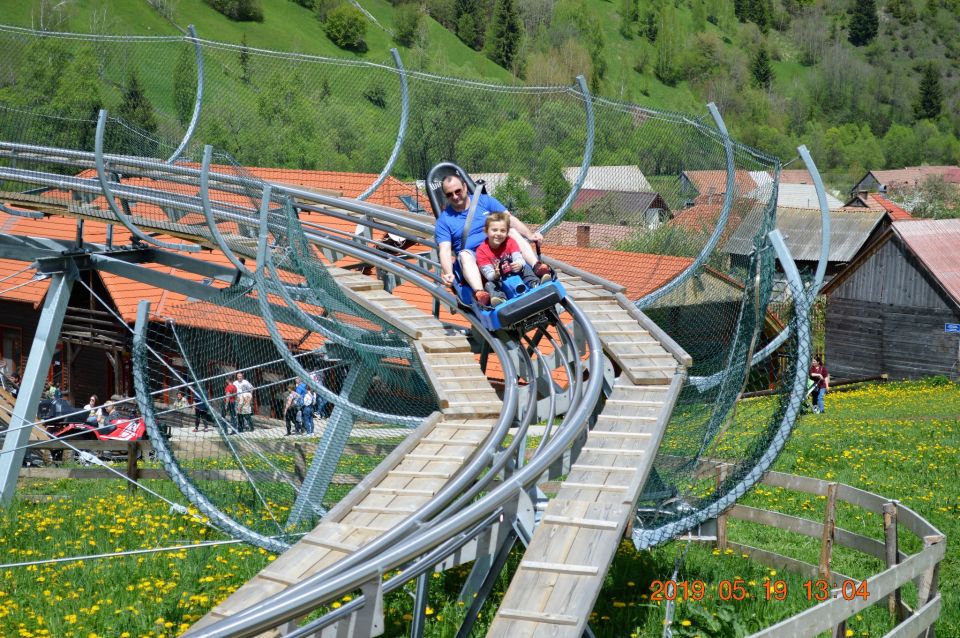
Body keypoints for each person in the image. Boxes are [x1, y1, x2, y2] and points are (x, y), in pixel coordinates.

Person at [435, 174, 552, 307]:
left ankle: (537, 267)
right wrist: (448, 273)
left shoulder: (484, 201)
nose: (455, 197)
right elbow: (444, 249)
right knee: (464, 255)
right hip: (475, 257)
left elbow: (510, 219)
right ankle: (480, 293)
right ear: (446, 196)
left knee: (511, 231)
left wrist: (530, 235)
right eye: (450, 194)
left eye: (458, 191)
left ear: (465, 187)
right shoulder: (444, 220)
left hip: (499, 246)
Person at [476, 213, 551, 306]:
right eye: (494, 230)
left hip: (515, 271)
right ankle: (500, 298)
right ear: (486, 231)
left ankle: (534, 283)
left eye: (502, 231)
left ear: (507, 232)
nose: (498, 234)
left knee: (526, 268)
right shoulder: (481, 251)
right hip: (498, 279)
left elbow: (518, 257)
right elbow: (488, 274)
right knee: (489, 285)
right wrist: (495, 275)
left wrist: (519, 264)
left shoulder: (510, 242)